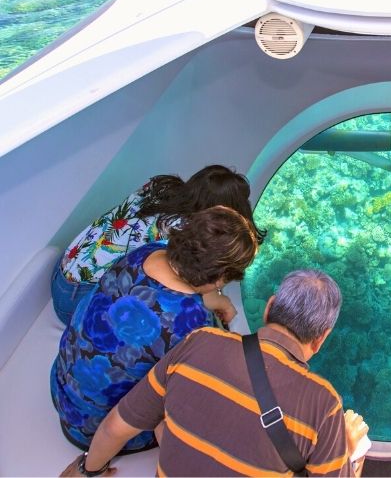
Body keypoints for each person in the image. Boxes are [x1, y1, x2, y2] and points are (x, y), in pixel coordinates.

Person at [59, 269, 369, 477]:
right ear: (322, 338)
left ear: (269, 307)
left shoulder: (200, 342)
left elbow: (117, 426)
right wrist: (350, 452)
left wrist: (88, 471)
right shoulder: (323, 404)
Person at [51, 205, 259, 453]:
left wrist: (216, 300)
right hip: (91, 427)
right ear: (221, 276)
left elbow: (164, 296)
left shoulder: (149, 252)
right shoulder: (193, 324)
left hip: (62, 384)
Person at [50, 164, 265, 325]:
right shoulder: (181, 232)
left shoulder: (161, 187)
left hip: (62, 271)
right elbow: (183, 289)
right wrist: (220, 301)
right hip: (75, 302)